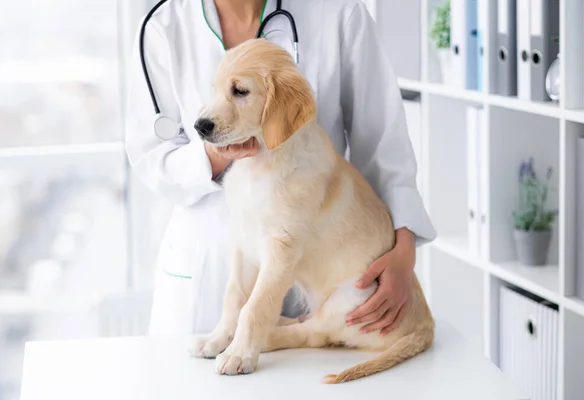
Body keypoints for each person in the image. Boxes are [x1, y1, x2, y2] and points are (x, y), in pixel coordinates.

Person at [125, 0, 436, 337]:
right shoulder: (163, 26)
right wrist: (220, 153)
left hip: (321, 266)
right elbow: (150, 157)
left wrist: (403, 253)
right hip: (207, 270)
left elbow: (384, 147)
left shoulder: (338, 13)